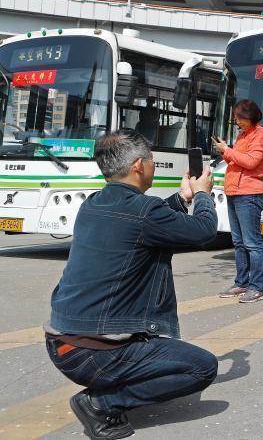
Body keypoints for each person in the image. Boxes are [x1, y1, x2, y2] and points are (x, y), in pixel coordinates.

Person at [45, 130, 218, 440]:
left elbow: (142, 222)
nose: (153, 165)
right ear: (139, 165)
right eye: (152, 160)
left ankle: (109, 385)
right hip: (93, 353)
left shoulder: (93, 204)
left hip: (62, 345)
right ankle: (101, 403)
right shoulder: (143, 211)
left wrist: (182, 198)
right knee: (202, 367)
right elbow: (204, 230)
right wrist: (204, 194)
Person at [213, 99, 263, 303]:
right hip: (234, 191)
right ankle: (242, 282)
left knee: (252, 243)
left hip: (249, 193)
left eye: (240, 118)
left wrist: (228, 151)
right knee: (239, 242)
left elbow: (251, 161)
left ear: (251, 116)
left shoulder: (262, 135)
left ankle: (256, 287)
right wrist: (225, 151)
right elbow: (237, 159)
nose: (237, 122)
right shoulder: (243, 135)